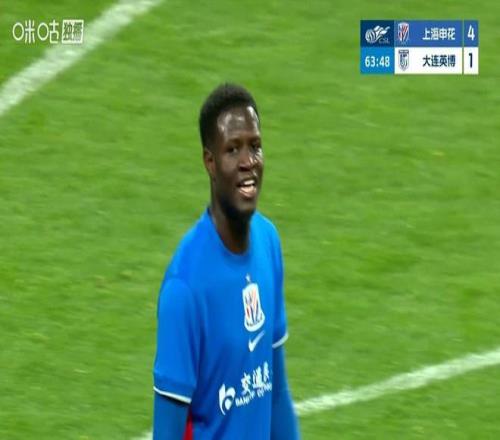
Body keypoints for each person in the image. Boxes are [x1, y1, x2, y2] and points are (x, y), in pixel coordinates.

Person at [153, 83, 300, 439]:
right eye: (233, 149)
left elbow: (276, 393)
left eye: (255, 146)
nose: (249, 162)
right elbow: (168, 431)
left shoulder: (268, 243)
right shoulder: (185, 288)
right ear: (210, 162)